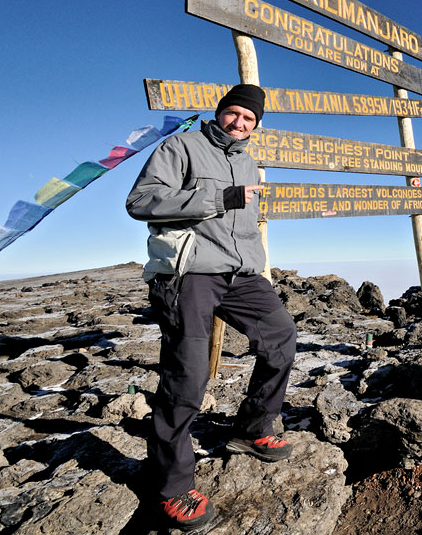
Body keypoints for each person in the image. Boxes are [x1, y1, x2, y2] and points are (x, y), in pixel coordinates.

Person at [126, 84, 296, 531]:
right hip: (189, 274)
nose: (239, 123)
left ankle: (252, 428)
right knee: (188, 377)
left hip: (242, 276)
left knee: (281, 337)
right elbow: (140, 202)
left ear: (256, 126)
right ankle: (171, 487)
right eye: (234, 113)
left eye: (249, 119)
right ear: (220, 112)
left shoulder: (247, 160)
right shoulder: (182, 146)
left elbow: (244, 225)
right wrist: (216, 198)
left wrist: (257, 263)